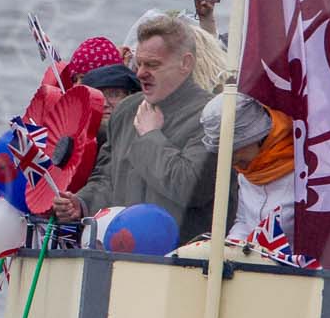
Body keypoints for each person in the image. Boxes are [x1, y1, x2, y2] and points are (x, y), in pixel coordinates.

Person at [53, 14, 227, 239]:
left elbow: (191, 188)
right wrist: (81, 203)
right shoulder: (126, 111)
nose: (140, 73)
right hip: (122, 254)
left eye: (153, 65)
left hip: (183, 261)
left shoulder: (212, 116)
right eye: (140, 63)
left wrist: (151, 136)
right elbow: (106, 178)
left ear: (186, 64)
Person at [215, 94, 298, 244]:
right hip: (255, 265)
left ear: (259, 137)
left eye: (236, 148)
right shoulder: (247, 172)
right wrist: (230, 250)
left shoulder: (307, 171)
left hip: (298, 265)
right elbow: (244, 222)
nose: (232, 159)